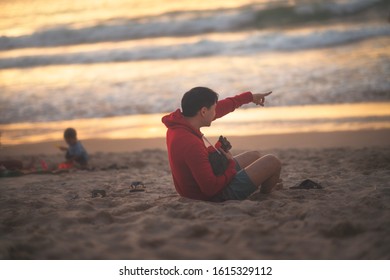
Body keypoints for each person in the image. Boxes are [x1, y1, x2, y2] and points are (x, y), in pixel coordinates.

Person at [161, 87, 282, 202]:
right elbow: (210, 189)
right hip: (209, 196)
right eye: (213, 109)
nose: (215, 113)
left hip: (194, 188)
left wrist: (249, 97)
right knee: (272, 161)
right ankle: (265, 194)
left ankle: (262, 186)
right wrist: (229, 164)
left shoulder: (178, 125)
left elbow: (220, 108)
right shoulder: (191, 143)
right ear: (203, 111)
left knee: (255, 155)